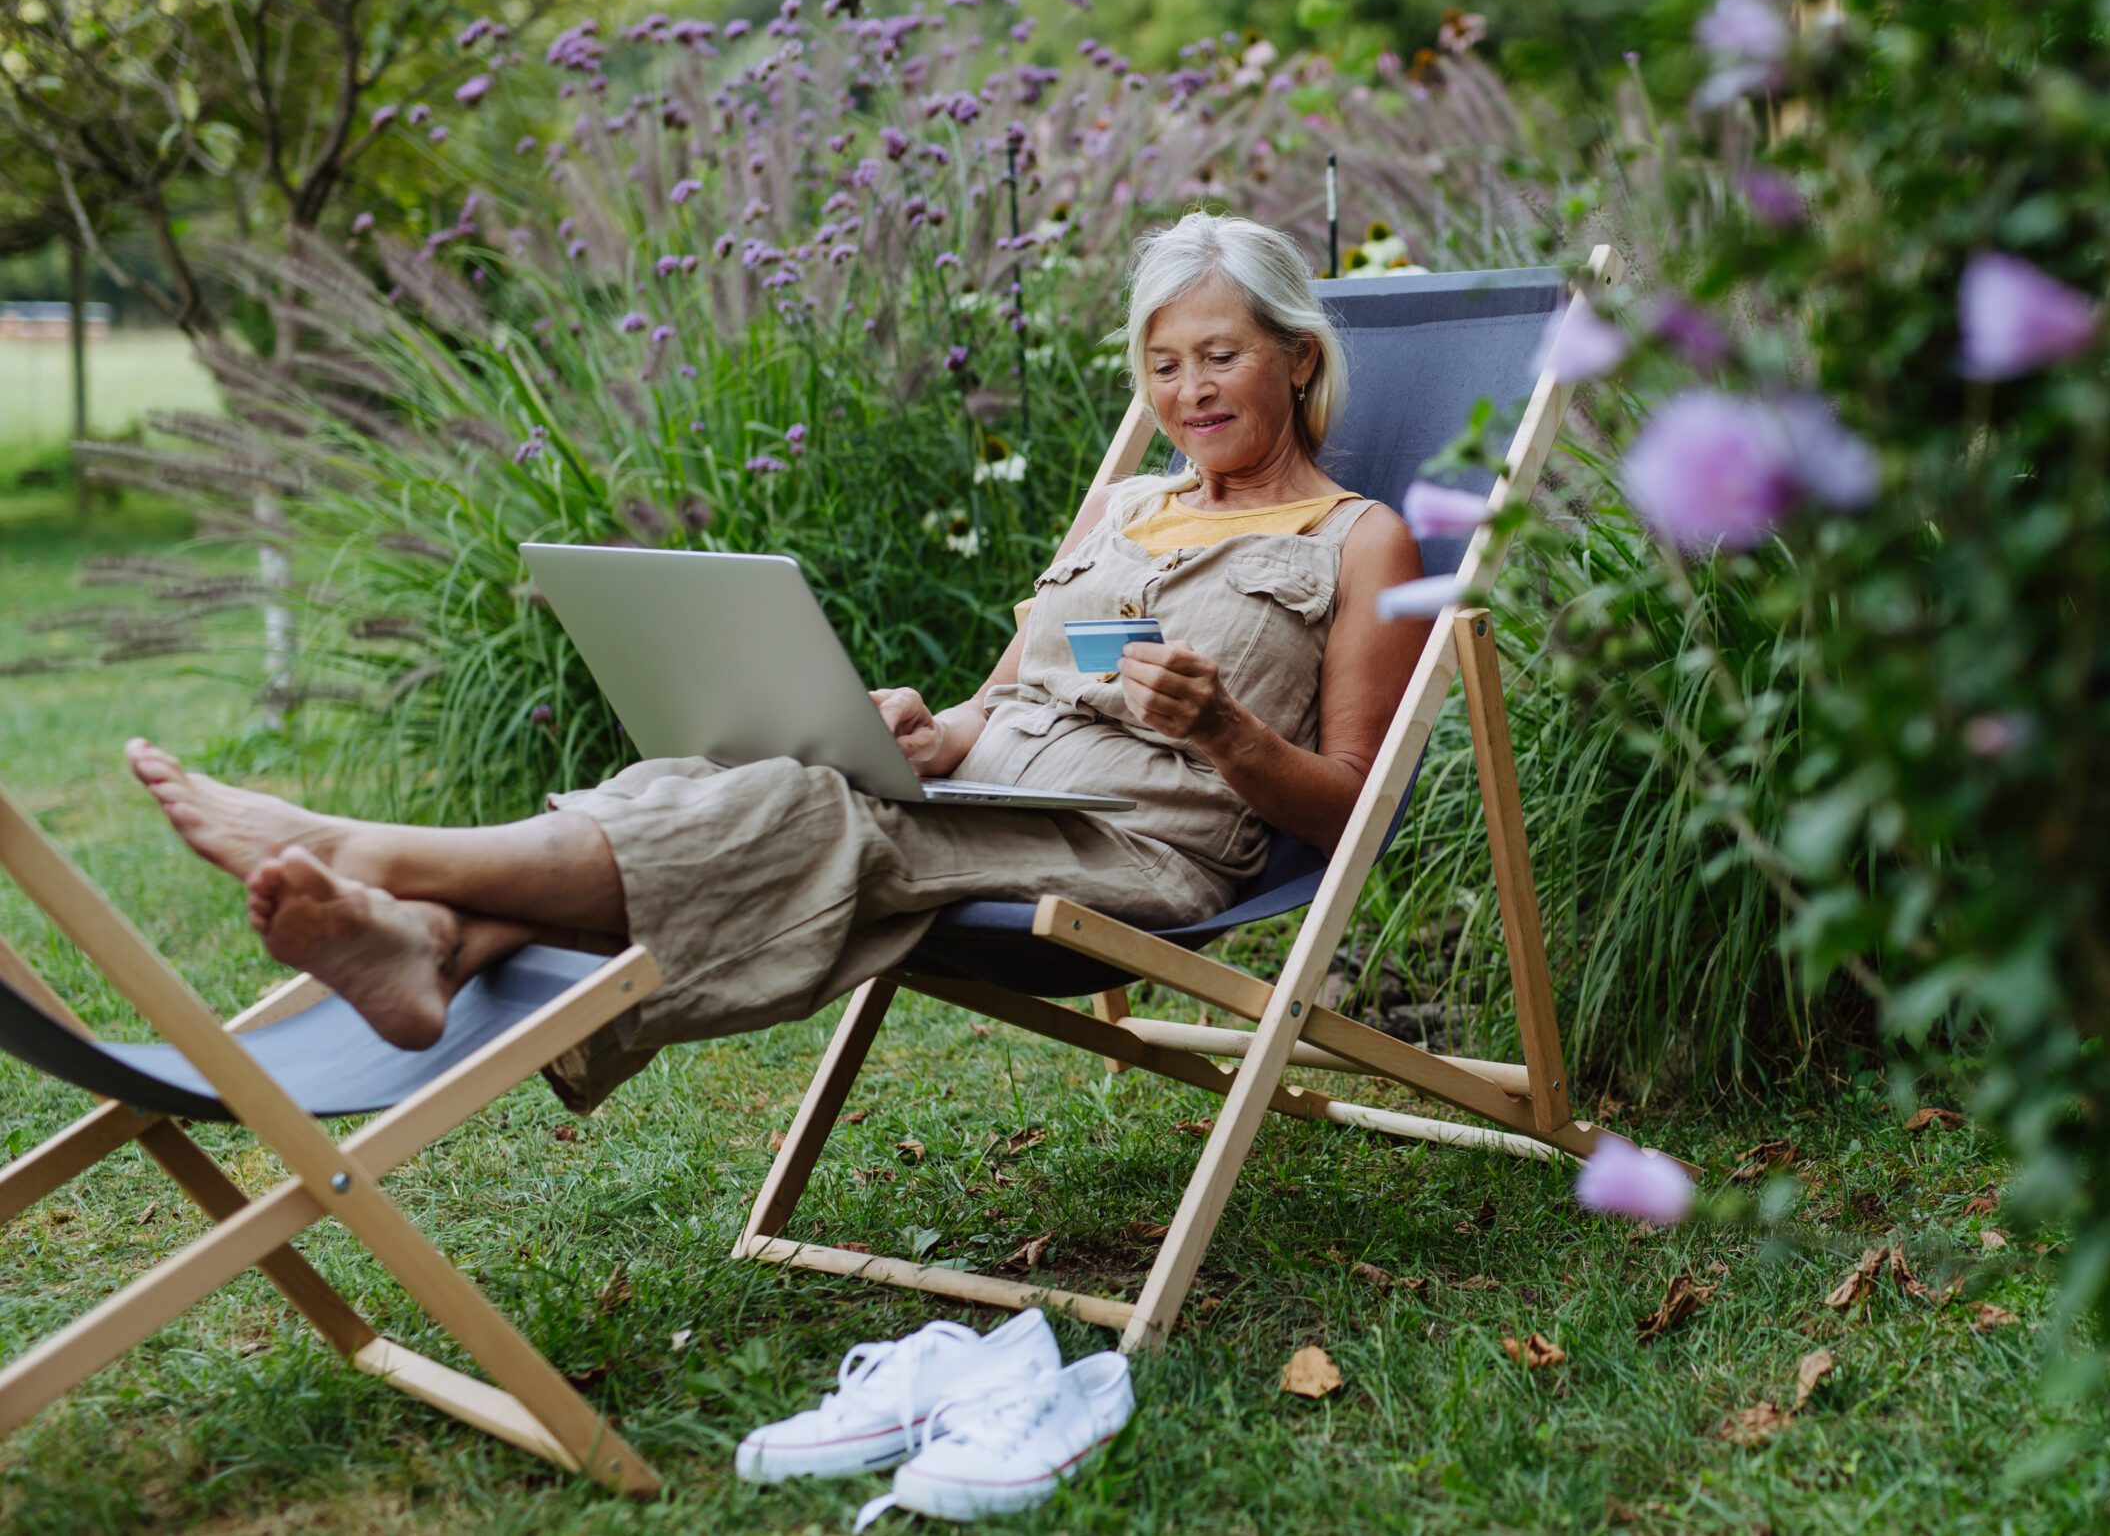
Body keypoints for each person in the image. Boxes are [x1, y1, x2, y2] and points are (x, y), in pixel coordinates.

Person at [122, 210, 1429, 1110]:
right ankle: (437, 943)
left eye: (1220, 356)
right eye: (1162, 365)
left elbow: (1360, 801)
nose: (1190, 390)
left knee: (811, 812)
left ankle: (373, 855)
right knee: (734, 769)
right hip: (1001, 790)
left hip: (1148, 839)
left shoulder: (1361, 539)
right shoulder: (1124, 508)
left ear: (1296, 359)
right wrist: (936, 728)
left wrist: (1229, 736)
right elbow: (1005, 691)